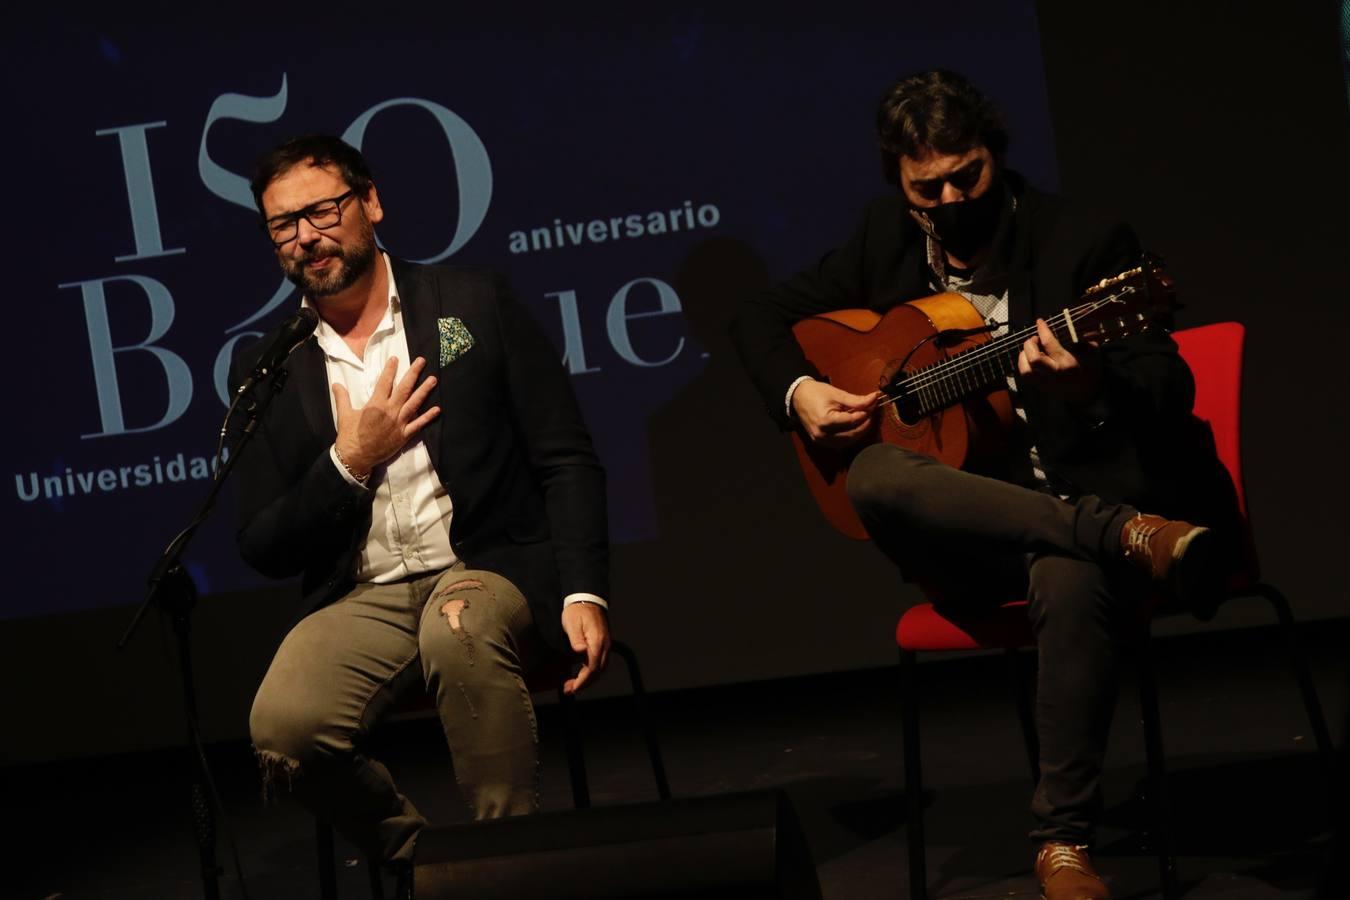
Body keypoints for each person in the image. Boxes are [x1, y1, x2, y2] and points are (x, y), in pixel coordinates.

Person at [730, 70, 1239, 900]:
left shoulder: (1084, 240)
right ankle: (1121, 533)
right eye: (925, 187)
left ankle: (1064, 845)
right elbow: (758, 317)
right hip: (970, 536)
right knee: (875, 473)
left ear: (996, 158)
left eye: (967, 175)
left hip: (1073, 510)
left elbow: (1166, 386)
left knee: (1067, 570)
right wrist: (802, 394)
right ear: (898, 180)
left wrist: (1090, 388)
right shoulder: (883, 239)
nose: (949, 199)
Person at [230, 135, 611, 895]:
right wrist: (349, 462)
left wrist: (584, 591)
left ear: (369, 203)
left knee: (457, 629)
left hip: (487, 567)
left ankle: (510, 869)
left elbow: (564, 456)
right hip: (365, 595)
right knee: (284, 727)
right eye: (283, 225)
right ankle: (434, 869)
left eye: (322, 210)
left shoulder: (472, 303)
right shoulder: (268, 368)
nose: (306, 236)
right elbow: (263, 542)